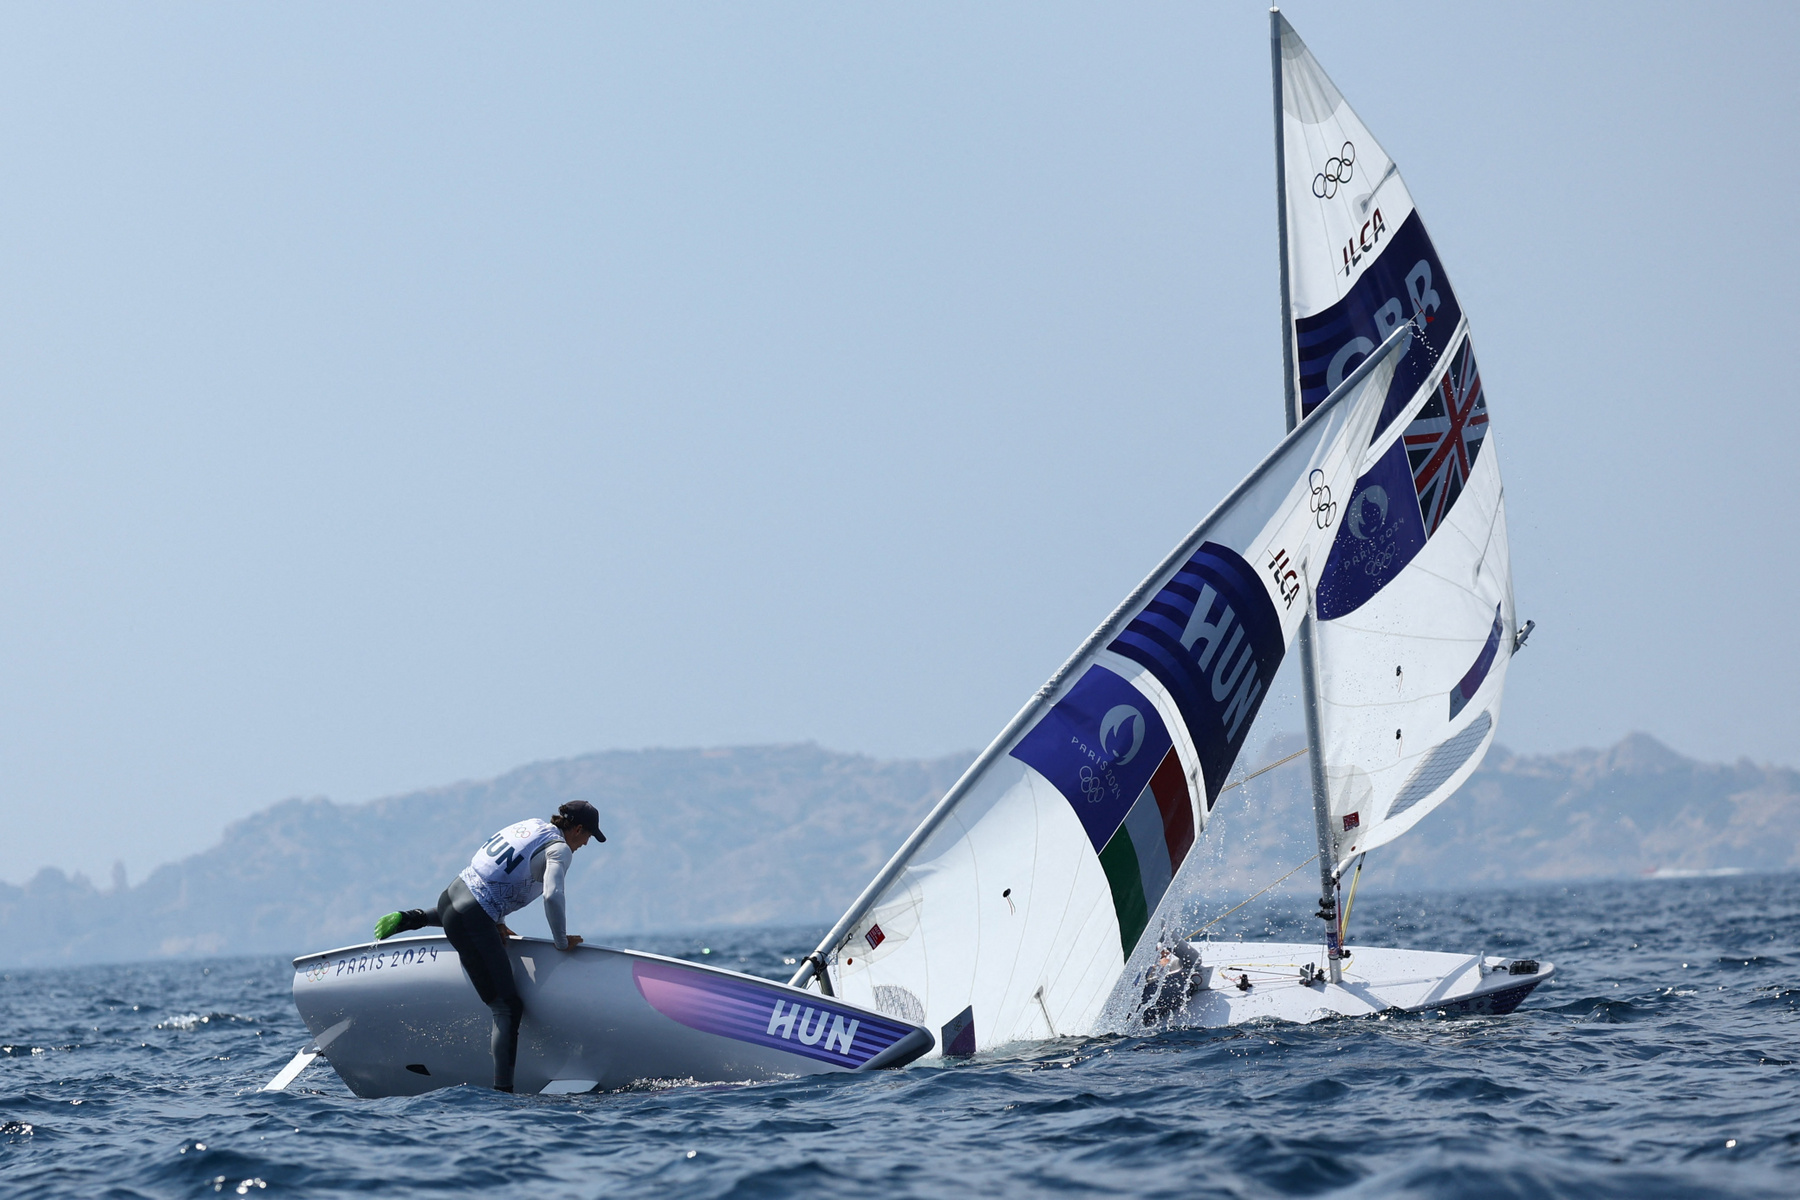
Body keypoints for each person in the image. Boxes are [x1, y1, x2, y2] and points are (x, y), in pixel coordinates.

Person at [372, 800, 606, 1092]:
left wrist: (497, 919)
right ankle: (503, 1094)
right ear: (578, 829)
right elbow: (552, 895)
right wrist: (561, 941)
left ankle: (412, 918)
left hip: (450, 897)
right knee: (507, 1007)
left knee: (460, 916)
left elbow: (498, 872)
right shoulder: (559, 849)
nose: (585, 844)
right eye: (587, 837)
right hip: (473, 918)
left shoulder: (532, 826)